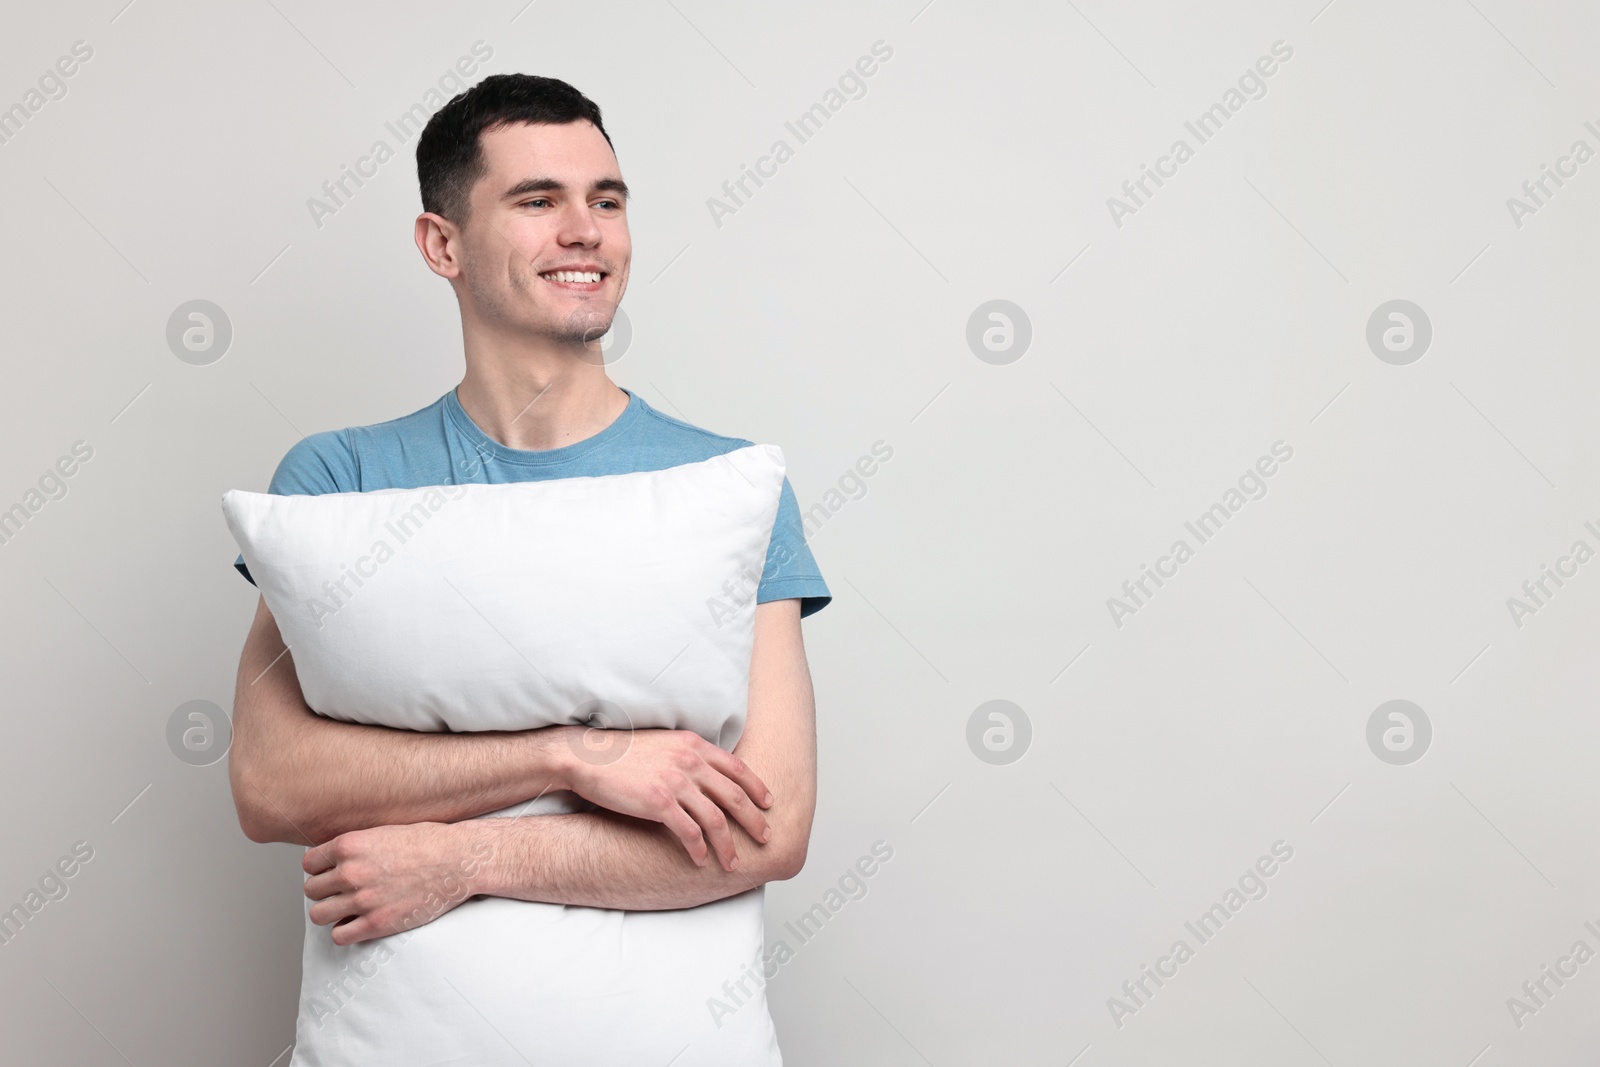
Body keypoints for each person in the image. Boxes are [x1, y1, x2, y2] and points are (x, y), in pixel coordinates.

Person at [228, 73, 829, 1064]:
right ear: (442, 244)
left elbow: (771, 826)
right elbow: (269, 780)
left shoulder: (725, 484)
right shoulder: (340, 478)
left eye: (607, 199)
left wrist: (462, 856)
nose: (586, 229)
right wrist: (571, 755)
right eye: (537, 200)